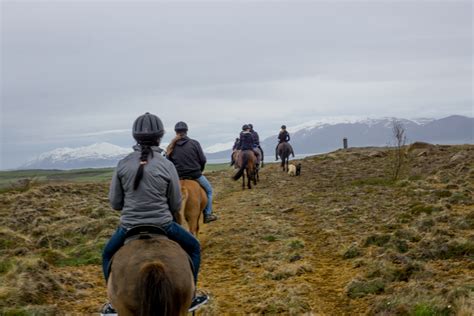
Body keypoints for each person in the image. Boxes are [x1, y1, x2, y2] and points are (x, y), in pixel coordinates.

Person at [100, 113, 208, 315]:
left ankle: (112, 303)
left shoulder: (122, 164)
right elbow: (176, 203)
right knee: (194, 247)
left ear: (135, 137)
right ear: (160, 137)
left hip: (129, 228)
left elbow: (115, 203)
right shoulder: (167, 165)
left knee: (106, 255)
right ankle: (192, 296)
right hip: (164, 224)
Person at [166, 121, 217, 224]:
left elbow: (168, 163)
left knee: (165, 194)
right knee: (209, 191)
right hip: (195, 175)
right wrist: (199, 171)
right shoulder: (194, 143)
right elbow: (203, 160)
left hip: (178, 177)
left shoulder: (171, 146)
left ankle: (166, 216)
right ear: (186, 131)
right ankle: (207, 214)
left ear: (176, 132)